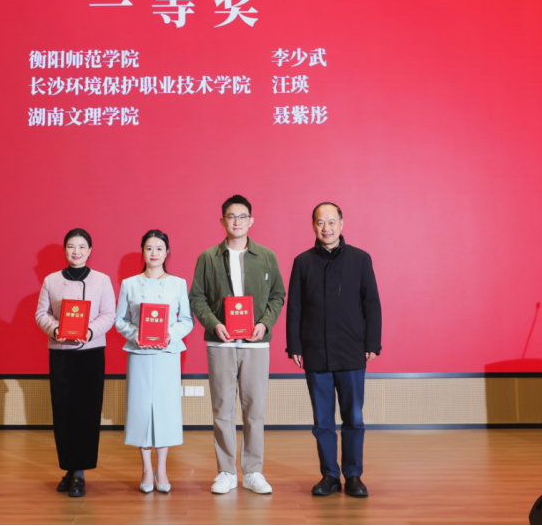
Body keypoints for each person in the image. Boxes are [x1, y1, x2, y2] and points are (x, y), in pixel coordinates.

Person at [188, 194, 286, 495]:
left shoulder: (266, 256)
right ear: (222, 221)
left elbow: (277, 295)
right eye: (231, 216)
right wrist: (214, 324)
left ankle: (253, 471)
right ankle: (226, 472)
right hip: (220, 345)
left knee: (254, 410)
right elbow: (197, 298)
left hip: (256, 345)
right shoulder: (208, 257)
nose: (237, 221)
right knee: (222, 408)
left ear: (251, 221)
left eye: (242, 216)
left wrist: (264, 324)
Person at [285, 202, 382, 498]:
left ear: (341, 223)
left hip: (352, 351)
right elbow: (295, 308)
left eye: (331, 222)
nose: (326, 228)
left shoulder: (360, 259)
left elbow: (371, 303)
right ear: (313, 226)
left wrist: (372, 343)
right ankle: (329, 475)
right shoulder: (302, 261)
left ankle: (353, 475)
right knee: (323, 421)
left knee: (354, 418)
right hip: (315, 352)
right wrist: (295, 345)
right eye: (320, 222)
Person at [35, 228, 117, 498]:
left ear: (90, 250)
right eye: (71, 246)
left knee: (86, 412)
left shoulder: (102, 280)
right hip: (61, 353)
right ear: (65, 250)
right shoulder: (51, 280)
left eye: (82, 246)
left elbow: (109, 314)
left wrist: (90, 331)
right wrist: (55, 329)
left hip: (91, 353)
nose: (77, 251)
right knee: (63, 412)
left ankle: (80, 472)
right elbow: (41, 313)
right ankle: (69, 468)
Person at [115, 230, 194, 494]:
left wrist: (169, 335)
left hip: (167, 353)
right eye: (149, 248)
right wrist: (134, 334)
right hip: (139, 353)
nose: (154, 253)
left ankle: (162, 468)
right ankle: (146, 468)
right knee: (140, 409)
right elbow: (119, 319)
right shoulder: (129, 283)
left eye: (159, 248)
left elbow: (187, 320)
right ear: (143, 251)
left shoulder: (178, 284)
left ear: (167, 252)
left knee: (165, 409)